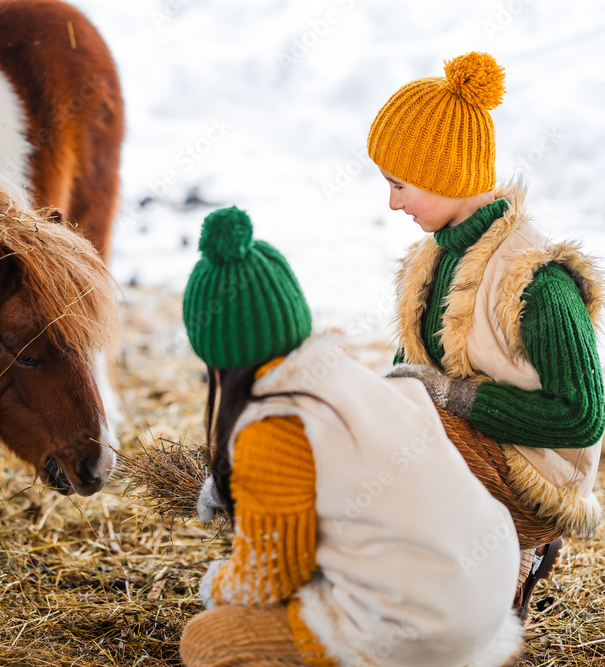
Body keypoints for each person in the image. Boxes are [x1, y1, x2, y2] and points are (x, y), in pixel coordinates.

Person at [180, 207, 522, 667]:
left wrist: (217, 583)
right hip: (488, 589)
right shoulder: (340, 375)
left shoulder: (271, 430)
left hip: (427, 627)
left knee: (207, 642)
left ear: (215, 352)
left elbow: (270, 578)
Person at [368, 51, 604, 617]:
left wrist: (453, 396)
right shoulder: (431, 261)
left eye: (400, 184)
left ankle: (508, 561)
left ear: (442, 175)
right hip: (462, 445)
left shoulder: (536, 281)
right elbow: (414, 372)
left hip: (534, 471)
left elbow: (582, 416)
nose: (392, 201)